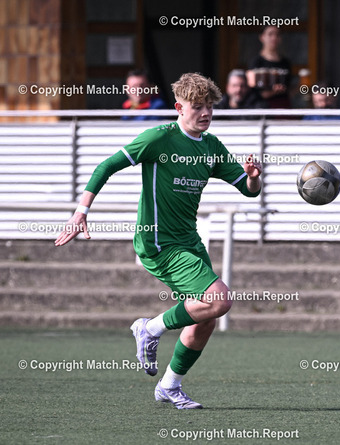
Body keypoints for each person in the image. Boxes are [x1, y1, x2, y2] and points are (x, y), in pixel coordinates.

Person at [55, 73, 263, 409]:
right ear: (179, 108)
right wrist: (81, 212)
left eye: (210, 106)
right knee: (220, 300)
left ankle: (169, 386)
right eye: (197, 106)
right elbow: (106, 166)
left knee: (206, 317)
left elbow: (249, 191)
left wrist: (253, 178)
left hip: (189, 242)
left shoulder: (211, 147)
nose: (206, 113)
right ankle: (149, 328)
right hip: (157, 241)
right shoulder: (159, 138)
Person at [247, 26, 292, 108]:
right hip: (261, 108)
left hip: (283, 107)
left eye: (277, 34)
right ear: (262, 37)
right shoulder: (256, 62)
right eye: (270, 34)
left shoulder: (285, 63)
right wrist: (272, 92)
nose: (274, 38)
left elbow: (288, 88)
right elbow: (251, 89)